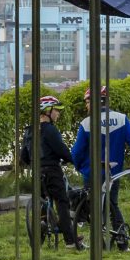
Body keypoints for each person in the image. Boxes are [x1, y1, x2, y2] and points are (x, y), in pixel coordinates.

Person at [71, 87, 130, 250]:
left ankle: (99, 242)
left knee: (93, 206)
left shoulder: (86, 123)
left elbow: (76, 152)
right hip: (113, 172)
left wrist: (80, 167)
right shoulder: (121, 119)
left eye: (87, 102)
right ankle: (122, 242)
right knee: (112, 204)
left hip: (91, 172)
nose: (86, 106)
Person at [21, 95, 84, 251]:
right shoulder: (50, 130)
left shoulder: (29, 131)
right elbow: (62, 150)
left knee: (42, 201)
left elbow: (24, 156)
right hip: (52, 171)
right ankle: (70, 241)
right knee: (62, 202)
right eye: (56, 110)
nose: (58, 114)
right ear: (47, 111)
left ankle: (38, 240)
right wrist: (74, 161)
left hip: (36, 172)